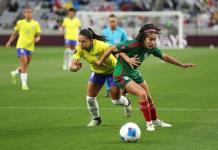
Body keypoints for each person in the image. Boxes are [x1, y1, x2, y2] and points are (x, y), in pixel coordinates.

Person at [95, 23, 196, 131]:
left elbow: (165, 56)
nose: (153, 42)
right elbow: (112, 48)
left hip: (134, 72)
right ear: (143, 38)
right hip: (121, 74)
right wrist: (101, 62)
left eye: (154, 39)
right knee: (141, 94)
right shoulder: (132, 44)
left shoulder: (151, 48)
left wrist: (181, 64)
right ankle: (149, 125)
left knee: (149, 98)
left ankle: (155, 120)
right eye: (150, 39)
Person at [70, 28, 132, 127]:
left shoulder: (101, 46)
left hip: (113, 71)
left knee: (115, 101)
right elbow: (72, 65)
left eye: (83, 41)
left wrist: (126, 60)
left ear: (91, 40)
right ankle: (96, 119)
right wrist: (75, 68)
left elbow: (118, 49)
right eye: (79, 41)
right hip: (97, 72)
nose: (81, 44)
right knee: (90, 98)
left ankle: (127, 102)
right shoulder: (80, 48)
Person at [5, 7, 41, 90]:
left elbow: (38, 36)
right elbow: (14, 34)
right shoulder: (20, 23)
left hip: (30, 47)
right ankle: (24, 85)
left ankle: (14, 73)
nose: (28, 14)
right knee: (24, 63)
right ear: (24, 13)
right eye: (26, 12)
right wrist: (9, 41)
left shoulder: (36, 24)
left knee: (25, 65)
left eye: (30, 12)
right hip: (21, 46)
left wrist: (37, 39)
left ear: (32, 13)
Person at [102, 14, 128, 97]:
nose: (112, 23)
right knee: (107, 72)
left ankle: (124, 89)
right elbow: (102, 44)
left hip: (118, 54)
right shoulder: (104, 32)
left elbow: (126, 43)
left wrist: (122, 52)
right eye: (110, 22)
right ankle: (108, 89)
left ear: (116, 22)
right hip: (108, 55)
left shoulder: (122, 32)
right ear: (108, 22)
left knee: (121, 72)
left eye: (114, 21)